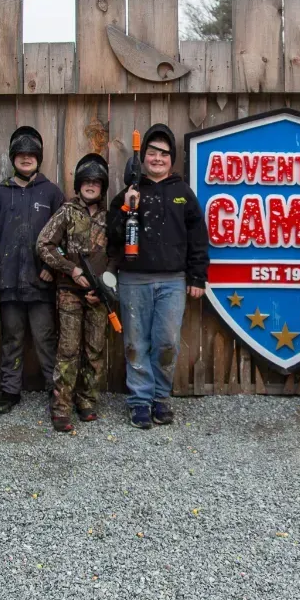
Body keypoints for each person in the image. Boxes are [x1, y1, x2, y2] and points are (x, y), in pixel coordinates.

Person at [106, 124, 209, 429]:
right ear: (144, 157)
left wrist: (197, 277)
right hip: (133, 281)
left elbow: (198, 238)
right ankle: (139, 402)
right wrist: (127, 208)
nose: (158, 158)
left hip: (173, 282)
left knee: (166, 343)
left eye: (164, 153)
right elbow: (111, 237)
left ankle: (160, 398)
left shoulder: (183, 194)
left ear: (171, 159)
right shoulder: (128, 194)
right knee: (135, 343)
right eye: (152, 152)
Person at [0, 126, 64, 415]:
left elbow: (65, 238)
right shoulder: (1, 194)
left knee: (45, 338)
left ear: (39, 157)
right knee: (11, 338)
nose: (26, 159)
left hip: (41, 283)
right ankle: (10, 390)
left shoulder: (51, 193)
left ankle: (56, 390)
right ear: (13, 157)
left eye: (31, 154)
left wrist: (54, 269)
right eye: (21, 154)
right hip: (9, 283)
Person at [37, 154, 110, 433]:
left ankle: (87, 402)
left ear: (102, 186)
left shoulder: (108, 217)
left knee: (94, 350)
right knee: (67, 350)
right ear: (79, 184)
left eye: (96, 182)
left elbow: (116, 256)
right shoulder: (67, 211)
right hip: (68, 292)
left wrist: (102, 286)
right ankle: (61, 408)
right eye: (86, 181)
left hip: (98, 294)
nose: (91, 186)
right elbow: (44, 244)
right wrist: (70, 270)